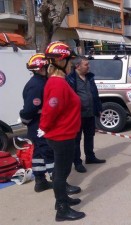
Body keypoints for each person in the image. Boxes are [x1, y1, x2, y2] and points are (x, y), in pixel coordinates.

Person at [39, 41, 84, 221]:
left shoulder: (58, 81)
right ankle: (62, 209)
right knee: (61, 172)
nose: (72, 66)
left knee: (62, 171)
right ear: (60, 61)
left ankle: (63, 200)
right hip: (61, 136)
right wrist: (43, 128)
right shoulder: (58, 84)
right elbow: (51, 110)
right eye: (70, 62)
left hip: (64, 134)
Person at [20, 53, 54, 192]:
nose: (50, 69)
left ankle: (40, 181)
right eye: (47, 66)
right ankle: (58, 181)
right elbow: (29, 109)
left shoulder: (40, 82)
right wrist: (25, 120)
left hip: (37, 124)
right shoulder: (37, 85)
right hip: (38, 124)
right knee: (49, 152)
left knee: (39, 153)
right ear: (41, 68)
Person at [66, 56, 105, 173]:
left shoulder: (90, 77)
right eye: (86, 65)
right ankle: (77, 162)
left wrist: (98, 108)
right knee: (76, 140)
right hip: (77, 115)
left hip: (90, 113)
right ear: (77, 66)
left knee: (90, 136)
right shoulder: (70, 79)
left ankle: (90, 157)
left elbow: (95, 94)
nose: (89, 66)